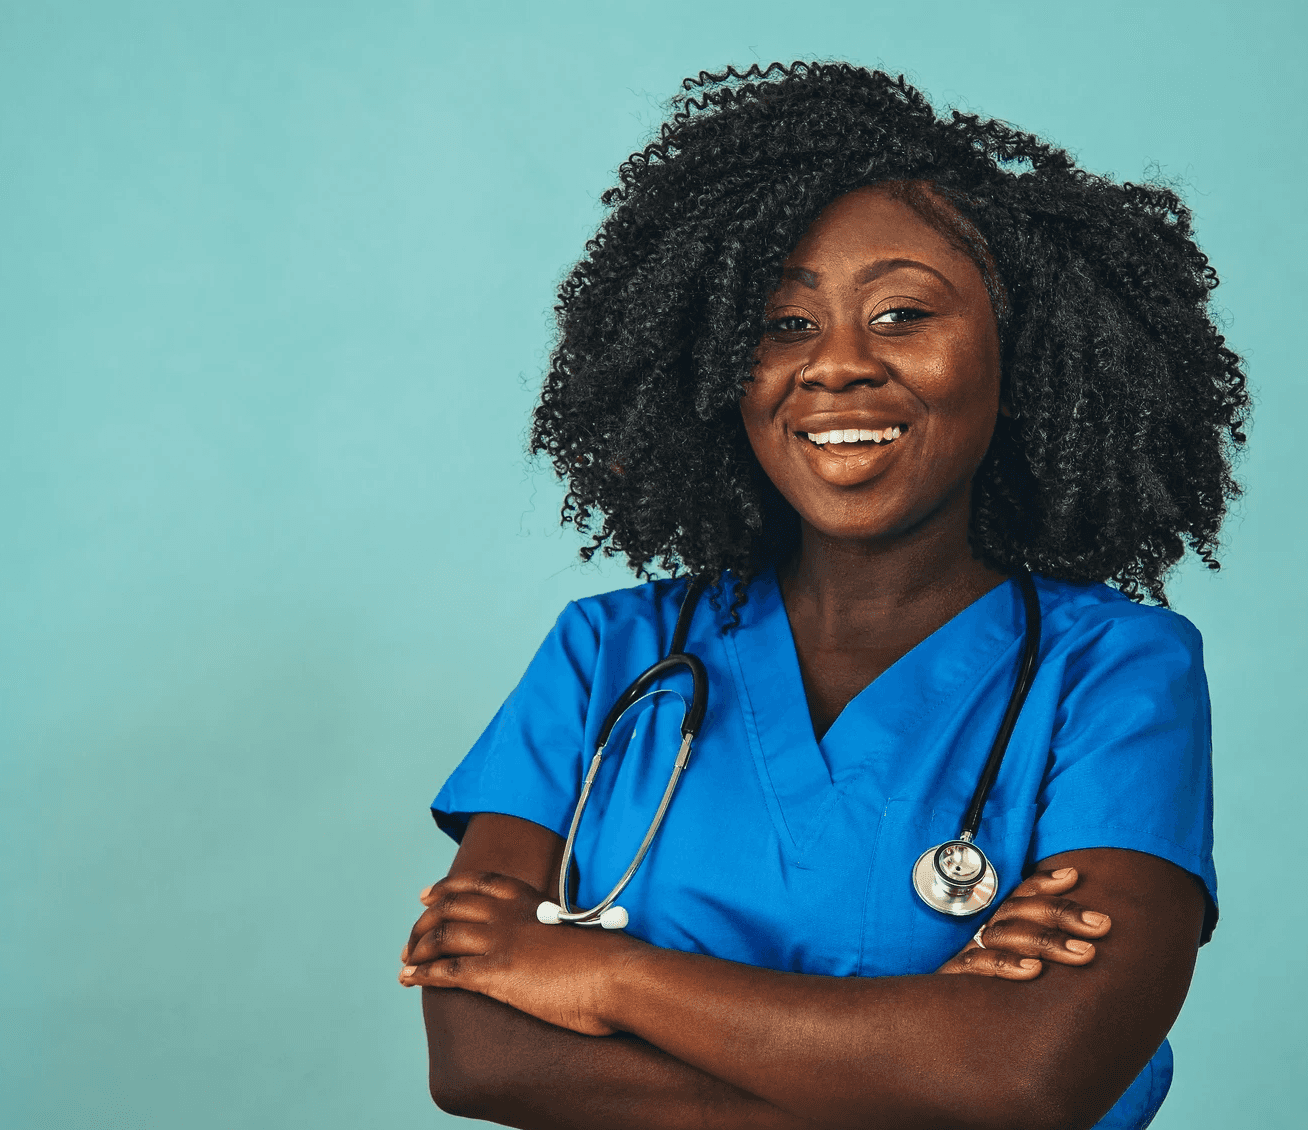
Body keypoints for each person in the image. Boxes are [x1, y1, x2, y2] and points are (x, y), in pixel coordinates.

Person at [400, 62, 1249, 1130]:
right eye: (785, 324)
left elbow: (1031, 1074)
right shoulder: (604, 655)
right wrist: (919, 1058)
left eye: (901, 314)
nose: (836, 365)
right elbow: (479, 1053)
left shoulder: (1115, 672)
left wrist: (603, 978)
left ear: (1015, 353)